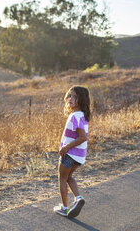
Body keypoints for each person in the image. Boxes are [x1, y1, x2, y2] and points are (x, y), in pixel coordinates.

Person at [53, 86, 90, 218]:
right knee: (68, 177)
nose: (70, 99)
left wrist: (66, 147)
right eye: (69, 96)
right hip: (79, 156)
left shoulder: (74, 116)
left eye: (75, 97)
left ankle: (64, 208)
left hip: (70, 153)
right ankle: (78, 198)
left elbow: (82, 137)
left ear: (82, 100)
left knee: (62, 178)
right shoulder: (83, 116)